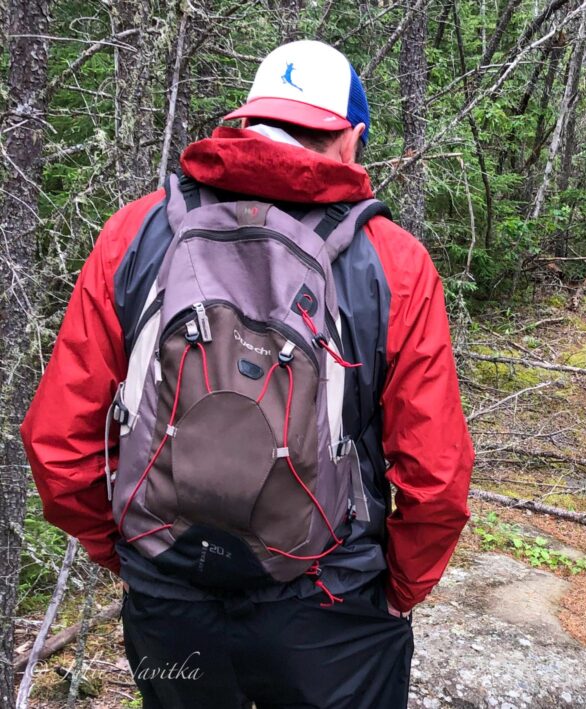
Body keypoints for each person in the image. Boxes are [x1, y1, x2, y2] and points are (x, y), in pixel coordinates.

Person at [21, 40, 474, 709]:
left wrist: (131, 553)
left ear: (247, 119)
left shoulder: (136, 232)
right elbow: (435, 475)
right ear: (351, 137)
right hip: (330, 602)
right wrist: (398, 590)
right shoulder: (393, 262)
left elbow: (57, 441)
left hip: (171, 600)